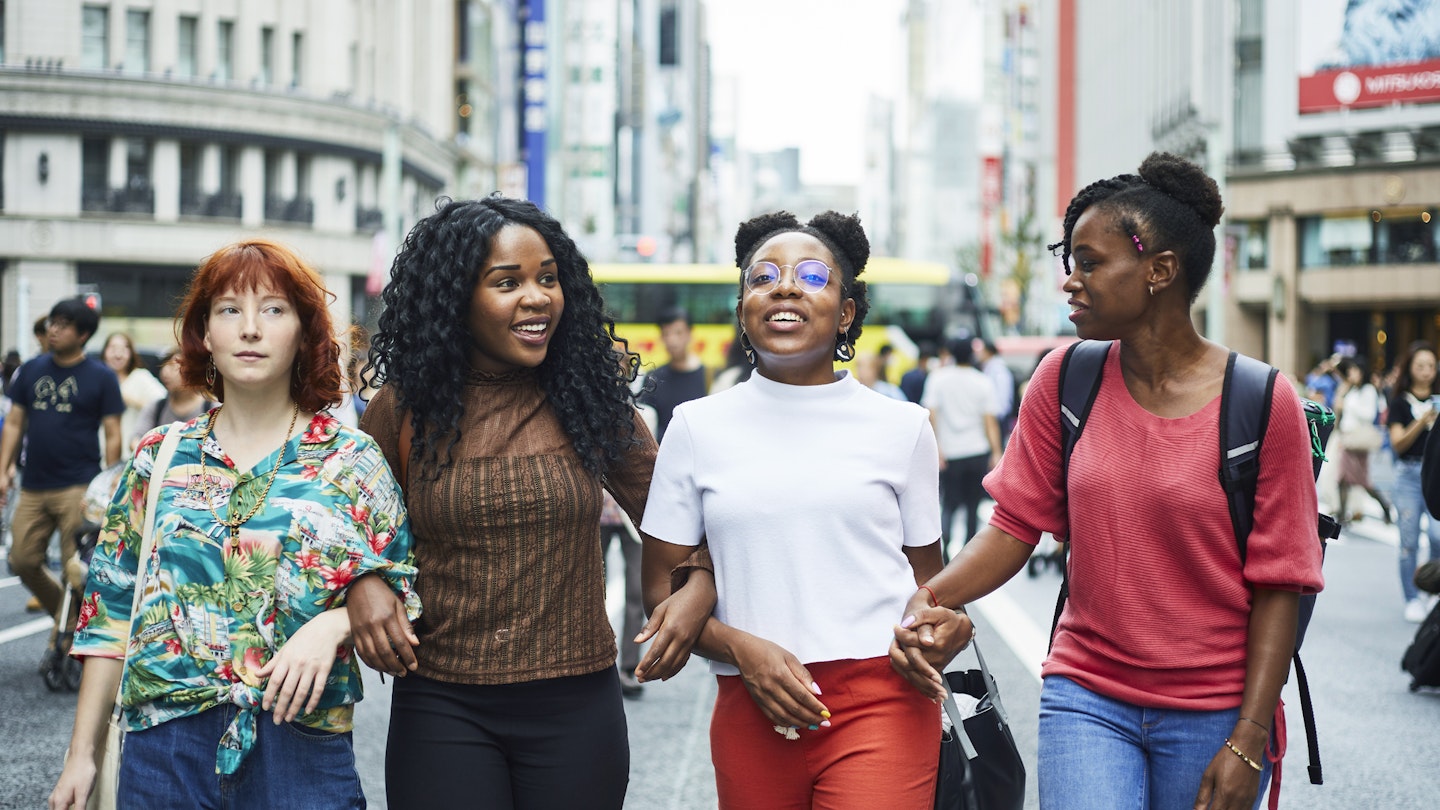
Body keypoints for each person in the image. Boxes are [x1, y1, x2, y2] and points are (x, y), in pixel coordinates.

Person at [892, 153, 1323, 810]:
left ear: (1160, 270)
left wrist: (1248, 738)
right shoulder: (1065, 379)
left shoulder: (1263, 401)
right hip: (1087, 696)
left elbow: (1280, 583)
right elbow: (1013, 528)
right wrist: (927, 599)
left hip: (1216, 710)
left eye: (1089, 262)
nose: (1070, 281)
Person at [344, 196, 712, 810]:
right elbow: (354, 529)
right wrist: (364, 582)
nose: (538, 297)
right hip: (441, 705)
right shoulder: (403, 408)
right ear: (456, 297)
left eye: (548, 278)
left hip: (576, 708)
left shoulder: (589, 397)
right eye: (507, 282)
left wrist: (697, 585)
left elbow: (678, 520)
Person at [49, 240, 419, 809]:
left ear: (303, 332)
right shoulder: (160, 455)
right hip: (163, 747)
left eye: (273, 309)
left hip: (301, 746)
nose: (250, 328)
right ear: (205, 334)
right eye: (229, 310)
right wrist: (83, 755)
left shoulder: (351, 459)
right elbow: (109, 612)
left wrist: (335, 625)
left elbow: (406, 592)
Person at [641, 210, 958, 809]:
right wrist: (741, 649)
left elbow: (928, 586)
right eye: (763, 277)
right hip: (750, 703)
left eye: (813, 275)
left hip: (883, 698)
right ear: (743, 309)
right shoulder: (695, 427)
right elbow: (660, 593)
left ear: (845, 312)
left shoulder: (904, 426)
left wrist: (948, 623)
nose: (785, 286)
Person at [1, 298, 123, 651]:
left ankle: (80, 640)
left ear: (83, 334)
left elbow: (112, 432)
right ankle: (68, 620)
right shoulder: (32, 369)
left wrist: (106, 485)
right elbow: (14, 422)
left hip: (79, 486)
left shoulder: (100, 377)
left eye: (64, 324)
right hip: (34, 485)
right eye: (52, 322)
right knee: (21, 559)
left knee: (79, 571)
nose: (53, 329)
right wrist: (3, 470)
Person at [922, 334, 1002, 557]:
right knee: (972, 505)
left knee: (948, 503)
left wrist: (936, 448)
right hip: (976, 451)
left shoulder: (938, 379)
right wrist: (996, 452)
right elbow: (990, 422)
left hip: (949, 453)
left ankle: (945, 547)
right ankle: (968, 552)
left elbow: (931, 415)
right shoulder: (982, 381)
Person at [1386, 340, 1440, 623]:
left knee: (1437, 536)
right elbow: (1398, 444)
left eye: (1431, 366)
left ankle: (1433, 592)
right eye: (1420, 365)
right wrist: (1423, 420)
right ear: (1410, 368)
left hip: (1436, 473)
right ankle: (1412, 598)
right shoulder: (1399, 402)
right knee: (1408, 541)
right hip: (1408, 474)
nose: (1426, 371)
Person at [1333, 357, 1392, 526]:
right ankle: (1342, 515)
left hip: (1358, 440)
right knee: (1342, 477)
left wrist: (1348, 406)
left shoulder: (1368, 390)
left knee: (1363, 481)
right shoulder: (1353, 389)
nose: (1351, 374)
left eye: (1354, 371)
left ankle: (1385, 506)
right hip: (1347, 438)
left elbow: (1368, 415)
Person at [639, 307, 709, 439]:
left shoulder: (708, 376)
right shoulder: (653, 378)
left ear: (689, 333)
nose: (672, 340)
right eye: (666, 334)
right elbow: (646, 423)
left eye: (678, 333)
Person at [128, 348, 216, 442]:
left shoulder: (212, 409)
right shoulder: (157, 407)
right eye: (165, 365)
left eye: (173, 367)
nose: (165, 372)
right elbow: (137, 438)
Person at [101, 332, 167, 449]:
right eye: (113, 348)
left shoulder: (141, 377)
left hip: (134, 452)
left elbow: (164, 403)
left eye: (124, 349)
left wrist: (131, 400)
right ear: (104, 352)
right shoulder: (97, 379)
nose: (118, 354)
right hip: (101, 453)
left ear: (131, 353)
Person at [975, 338, 1017, 444]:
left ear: (989, 352)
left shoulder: (998, 369)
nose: (978, 354)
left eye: (981, 351)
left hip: (998, 416)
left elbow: (1003, 394)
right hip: (993, 415)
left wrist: (997, 415)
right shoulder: (989, 367)